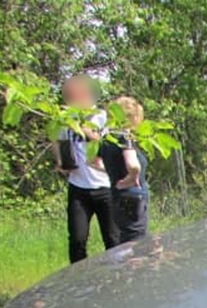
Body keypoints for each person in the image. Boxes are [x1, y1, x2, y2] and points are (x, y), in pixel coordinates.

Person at [52, 74, 119, 263]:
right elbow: (57, 141)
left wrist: (82, 126)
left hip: (105, 186)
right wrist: (60, 162)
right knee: (77, 239)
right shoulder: (65, 119)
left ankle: (118, 280)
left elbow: (105, 143)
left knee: (113, 238)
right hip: (78, 187)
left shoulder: (102, 117)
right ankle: (78, 285)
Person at [99, 96, 149, 243]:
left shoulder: (107, 139)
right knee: (136, 241)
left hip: (117, 197)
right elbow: (133, 165)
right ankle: (135, 266)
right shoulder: (125, 138)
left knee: (125, 239)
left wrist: (113, 173)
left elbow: (92, 162)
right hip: (133, 198)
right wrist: (131, 177)